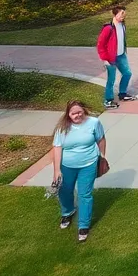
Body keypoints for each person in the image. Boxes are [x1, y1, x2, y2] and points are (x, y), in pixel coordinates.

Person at [51, 100, 106, 243]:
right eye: (73, 113)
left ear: (84, 111)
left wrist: (102, 157)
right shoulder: (62, 128)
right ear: (68, 114)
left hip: (88, 164)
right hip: (67, 165)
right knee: (64, 190)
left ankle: (83, 226)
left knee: (85, 194)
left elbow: (101, 139)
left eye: (79, 112)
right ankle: (68, 212)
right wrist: (57, 170)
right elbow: (57, 148)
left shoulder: (94, 123)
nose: (77, 115)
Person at [96, 5, 135, 109]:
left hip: (121, 55)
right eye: (121, 14)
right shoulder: (108, 28)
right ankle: (108, 100)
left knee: (127, 73)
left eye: (124, 14)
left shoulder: (123, 25)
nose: (124, 16)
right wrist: (104, 59)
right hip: (110, 58)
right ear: (115, 14)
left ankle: (122, 94)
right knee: (111, 79)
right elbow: (100, 44)